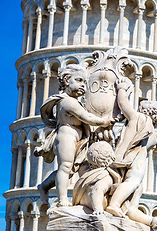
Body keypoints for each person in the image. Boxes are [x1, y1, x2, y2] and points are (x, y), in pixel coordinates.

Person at [36, 64, 111, 207]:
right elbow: (87, 117)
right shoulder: (67, 101)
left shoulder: (75, 101)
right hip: (67, 134)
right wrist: (104, 121)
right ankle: (62, 199)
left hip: (78, 137)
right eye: (79, 80)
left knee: (68, 169)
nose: (83, 85)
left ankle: (45, 186)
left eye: (85, 82)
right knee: (65, 167)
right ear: (66, 80)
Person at [105, 77, 157, 225]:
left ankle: (147, 219)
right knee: (132, 183)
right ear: (151, 111)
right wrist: (122, 89)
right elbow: (123, 104)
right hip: (134, 160)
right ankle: (113, 205)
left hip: (138, 161)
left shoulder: (150, 127)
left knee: (136, 189)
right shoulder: (138, 117)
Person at [72, 141, 120, 215]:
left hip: (82, 206)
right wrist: (98, 209)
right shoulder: (105, 176)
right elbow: (97, 190)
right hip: (93, 207)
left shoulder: (87, 172)